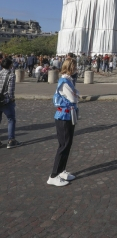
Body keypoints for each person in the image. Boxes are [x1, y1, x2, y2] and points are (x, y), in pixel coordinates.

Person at [47, 58, 80, 187]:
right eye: (75, 66)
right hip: (63, 116)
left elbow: (75, 94)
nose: (77, 68)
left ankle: (61, 171)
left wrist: (76, 94)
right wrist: (76, 95)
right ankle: (53, 175)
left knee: (67, 143)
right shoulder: (65, 81)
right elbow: (73, 98)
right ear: (71, 68)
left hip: (67, 114)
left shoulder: (68, 80)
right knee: (64, 145)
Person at [0, 57, 20, 149]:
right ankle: (11, 140)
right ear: (10, 65)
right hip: (5, 100)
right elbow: (10, 90)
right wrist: (12, 99)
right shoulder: (11, 75)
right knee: (11, 119)